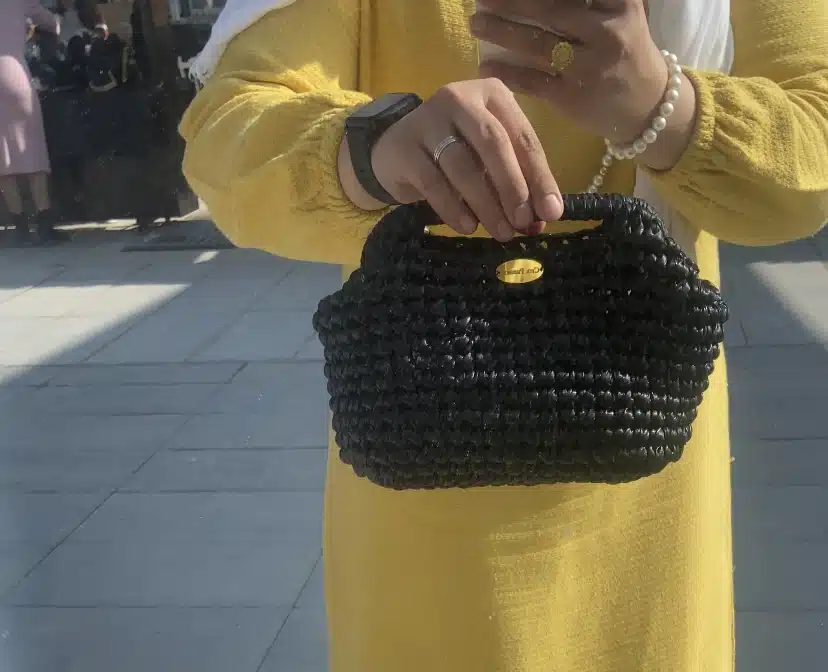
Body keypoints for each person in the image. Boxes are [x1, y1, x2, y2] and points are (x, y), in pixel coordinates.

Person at [179, 1, 828, 670]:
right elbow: (228, 135)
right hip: (427, 530)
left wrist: (657, 103)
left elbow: (812, 154)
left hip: (649, 522)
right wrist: (376, 147)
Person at [1, 0, 69, 244]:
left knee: (3, 158)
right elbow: (53, 24)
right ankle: (44, 224)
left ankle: (20, 228)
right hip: (15, 77)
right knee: (33, 152)